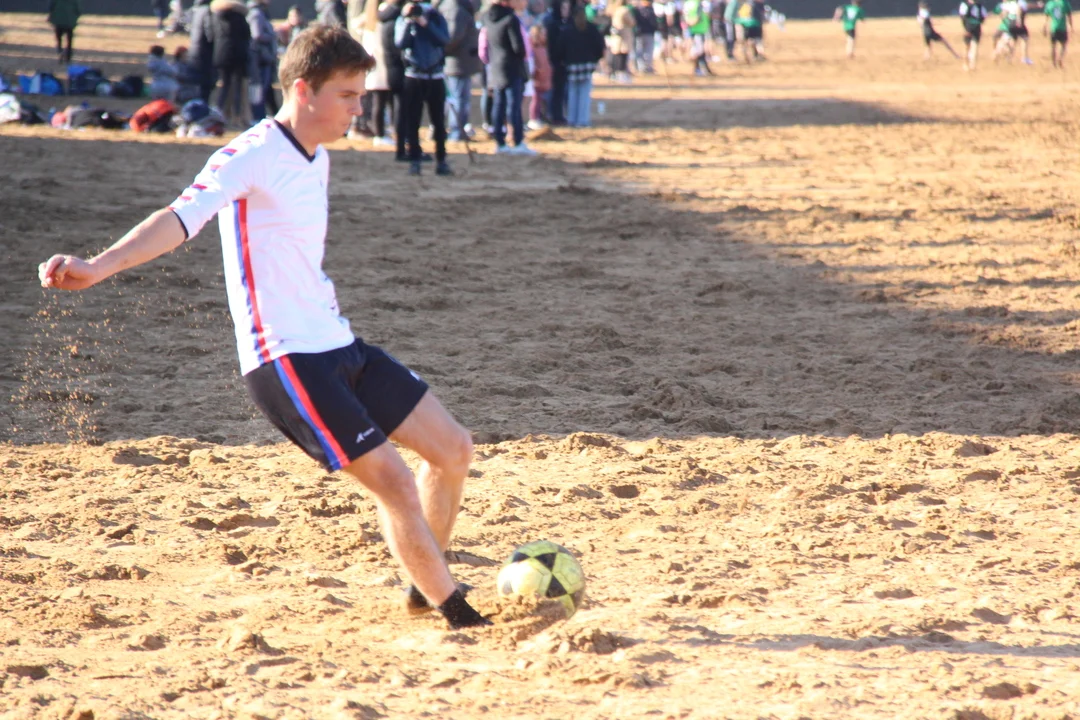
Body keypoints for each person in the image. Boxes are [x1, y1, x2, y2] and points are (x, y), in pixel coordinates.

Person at [37, 25, 491, 633]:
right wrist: (98, 267)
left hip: (338, 344)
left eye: (360, 95)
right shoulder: (250, 154)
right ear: (304, 90)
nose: (359, 108)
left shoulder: (318, 156)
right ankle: (455, 611)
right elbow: (179, 218)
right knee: (396, 483)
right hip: (285, 360)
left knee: (454, 449)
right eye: (348, 95)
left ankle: (422, 582)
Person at [395, 1, 453, 175]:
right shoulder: (404, 18)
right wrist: (408, 21)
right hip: (413, 75)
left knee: (438, 122)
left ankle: (441, 160)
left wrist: (426, 24)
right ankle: (414, 160)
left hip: (435, 75)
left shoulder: (435, 16)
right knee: (413, 121)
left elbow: (444, 40)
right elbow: (400, 43)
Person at [484, 0, 536, 155]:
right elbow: (518, 48)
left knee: (498, 105)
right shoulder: (511, 19)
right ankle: (518, 140)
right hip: (512, 68)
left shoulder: (488, 18)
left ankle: (500, 142)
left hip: (496, 66)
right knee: (514, 106)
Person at [439, 0, 481, 141]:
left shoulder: (457, 7)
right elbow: (452, 37)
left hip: (460, 62)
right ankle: (456, 131)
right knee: (458, 99)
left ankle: (458, 130)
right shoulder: (456, 8)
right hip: (456, 62)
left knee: (459, 98)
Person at [558, 7, 604, 127]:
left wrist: (564, 60)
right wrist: (594, 59)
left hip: (572, 65)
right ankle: (582, 120)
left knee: (572, 93)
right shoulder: (592, 29)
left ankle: (572, 119)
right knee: (584, 93)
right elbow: (599, 47)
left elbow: (561, 48)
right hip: (587, 65)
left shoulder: (567, 30)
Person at [211, 0, 253, 127]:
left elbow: (211, 36)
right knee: (237, 87)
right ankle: (236, 116)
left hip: (221, 55)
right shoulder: (239, 18)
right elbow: (247, 36)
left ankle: (217, 113)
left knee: (224, 86)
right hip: (238, 56)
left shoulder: (217, 17)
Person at [362, 0, 395, 145]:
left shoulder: (368, 21)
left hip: (375, 68)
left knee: (378, 102)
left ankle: (380, 132)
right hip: (381, 66)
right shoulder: (381, 20)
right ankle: (380, 134)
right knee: (380, 102)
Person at [541, 0, 572, 125]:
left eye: (567, 8)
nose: (566, 11)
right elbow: (552, 46)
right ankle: (552, 115)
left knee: (560, 90)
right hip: (553, 62)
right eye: (564, 8)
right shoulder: (552, 24)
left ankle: (558, 114)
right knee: (552, 91)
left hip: (562, 62)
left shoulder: (566, 23)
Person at [248, 0, 279, 121]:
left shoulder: (261, 12)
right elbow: (257, 35)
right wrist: (273, 35)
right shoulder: (256, 13)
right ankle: (258, 117)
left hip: (264, 58)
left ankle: (269, 116)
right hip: (261, 59)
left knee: (267, 91)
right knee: (260, 89)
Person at [190, 0, 217, 101]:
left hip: (195, 52)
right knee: (205, 88)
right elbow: (210, 34)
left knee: (197, 87)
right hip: (205, 54)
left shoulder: (196, 10)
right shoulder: (208, 11)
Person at [528, 23, 552, 128]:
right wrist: (537, 71)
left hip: (543, 79)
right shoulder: (532, 48)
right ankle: (533, 118)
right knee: (535, 99)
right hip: (536, 79)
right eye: (543, 34)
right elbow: (532, 64)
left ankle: (538, 117)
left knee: (540, 100)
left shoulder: (543, 48)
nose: (545, 36)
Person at [607, 0, 636, 82]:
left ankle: (614, 73)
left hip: (616, 35)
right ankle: (621, 74)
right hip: (624, 34)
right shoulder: (624, 10)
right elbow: (632, 22)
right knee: (623, 55)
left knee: (616, 55)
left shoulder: (614, 9)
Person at [48, 0, 81, 65]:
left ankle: (60, 51)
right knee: (69, 41)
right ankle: (68, 57)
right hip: (69, 22)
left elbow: (51, 8)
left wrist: (52, 16)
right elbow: (78, 11)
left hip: (59, 21)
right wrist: (74, 18)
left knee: (59, 39)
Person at [684, 0, 713, 74]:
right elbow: (699, 16)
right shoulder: (699, 3)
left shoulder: (688, 3)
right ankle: (699, 69)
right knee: (699, 51)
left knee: (699, 50)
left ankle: (700, 68)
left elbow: (686, 16)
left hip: (695, 29)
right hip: (699, 29)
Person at [959, 0, 989, 69]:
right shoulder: (979, 6)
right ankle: (970, 65)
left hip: (970, 27)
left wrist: (965, 28)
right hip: (975, 26)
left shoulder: (965, 5)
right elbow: (984, 16)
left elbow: (963, 17)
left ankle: (968, 65)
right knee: (972, 46)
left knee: (969, 46)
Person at [632, 0, 658, 72]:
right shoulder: (650, 10)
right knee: (646, 51)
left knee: (641, 51)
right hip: (646, 33)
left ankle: (642, 67)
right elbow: (654, 23)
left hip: (642, 33)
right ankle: (645, 67)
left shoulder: (637, 10)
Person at [1045, 0, 1073, 67]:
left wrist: (1045, 27)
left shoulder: (1050, 3)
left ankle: (1053, 63)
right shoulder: (1065, 3)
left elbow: (1046, 17)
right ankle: (1060, 58)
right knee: (1064, 45)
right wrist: (1071, 26)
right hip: (1062, 28)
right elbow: (1069, 15)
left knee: (1053, 46)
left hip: (1053, 28)